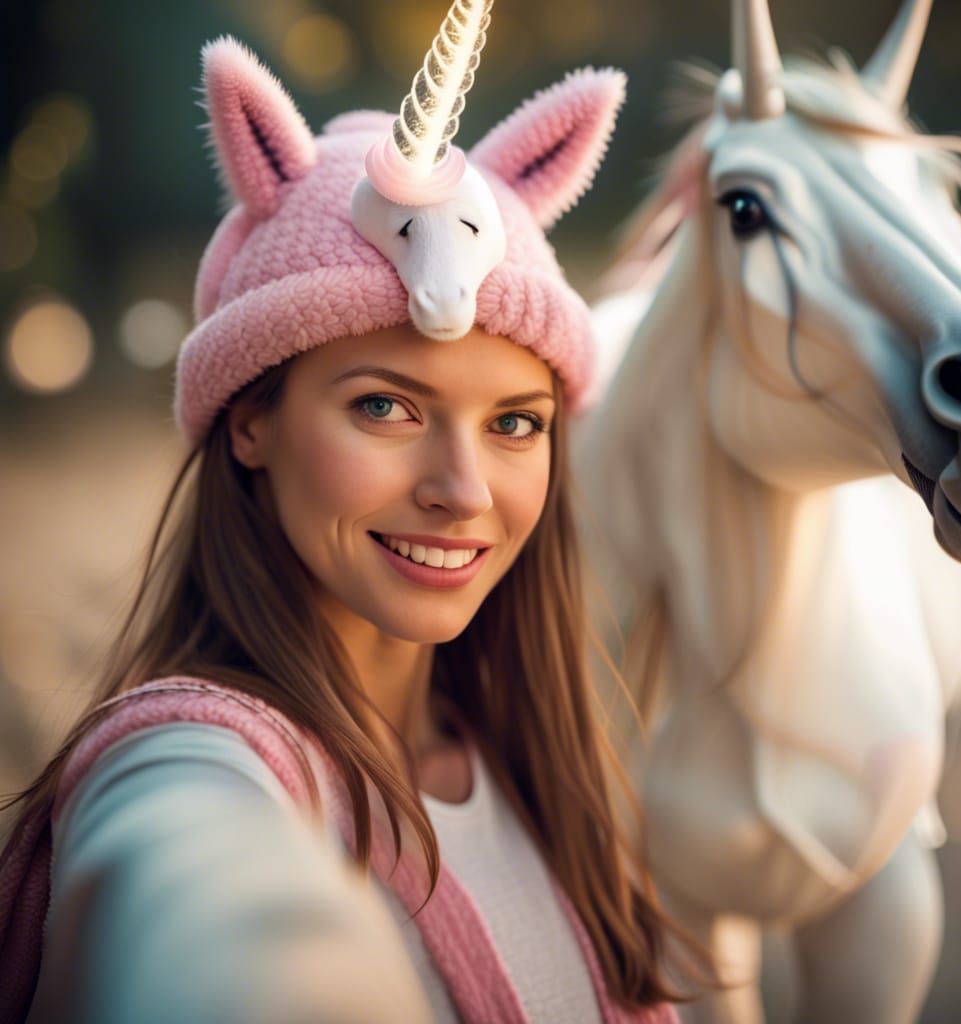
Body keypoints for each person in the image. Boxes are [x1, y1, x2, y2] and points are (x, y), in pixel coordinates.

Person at [0, 7, 714, 1022]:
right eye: (385, 406)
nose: (462, 488)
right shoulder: (188, 758)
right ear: (251, 420)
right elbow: (187, 869)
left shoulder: (545, 783)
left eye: (515, 422)